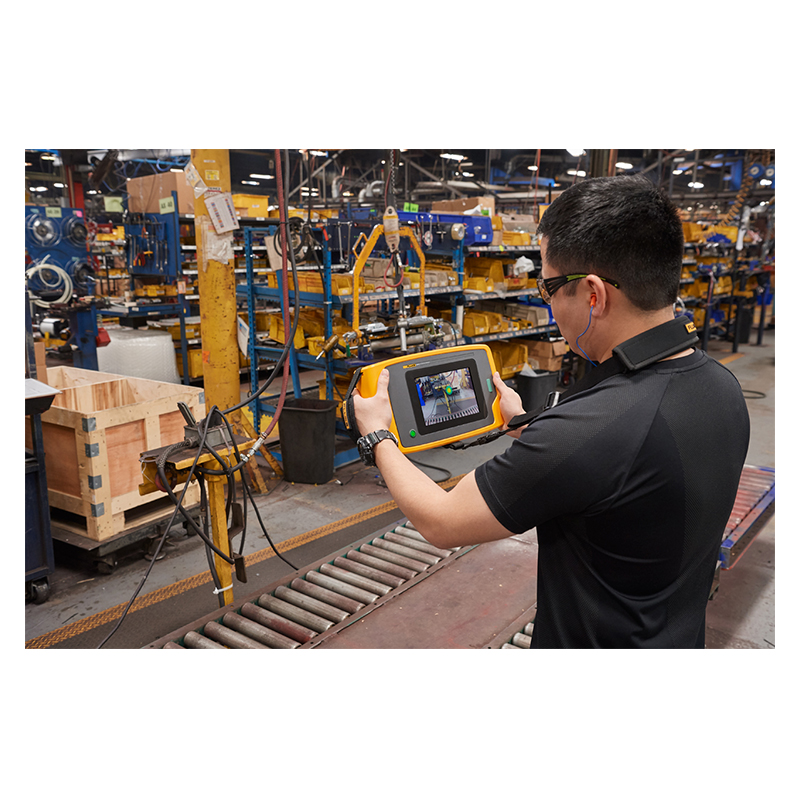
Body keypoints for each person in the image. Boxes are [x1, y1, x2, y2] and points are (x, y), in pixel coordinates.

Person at [352, 174, 750, 648]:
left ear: (594, 294)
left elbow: (441, 520)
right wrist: (526, 426)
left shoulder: (597, 426)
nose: (550, 305)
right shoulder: (721, 386)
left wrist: (377, 436)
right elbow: (623, 477)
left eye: (549, 288)